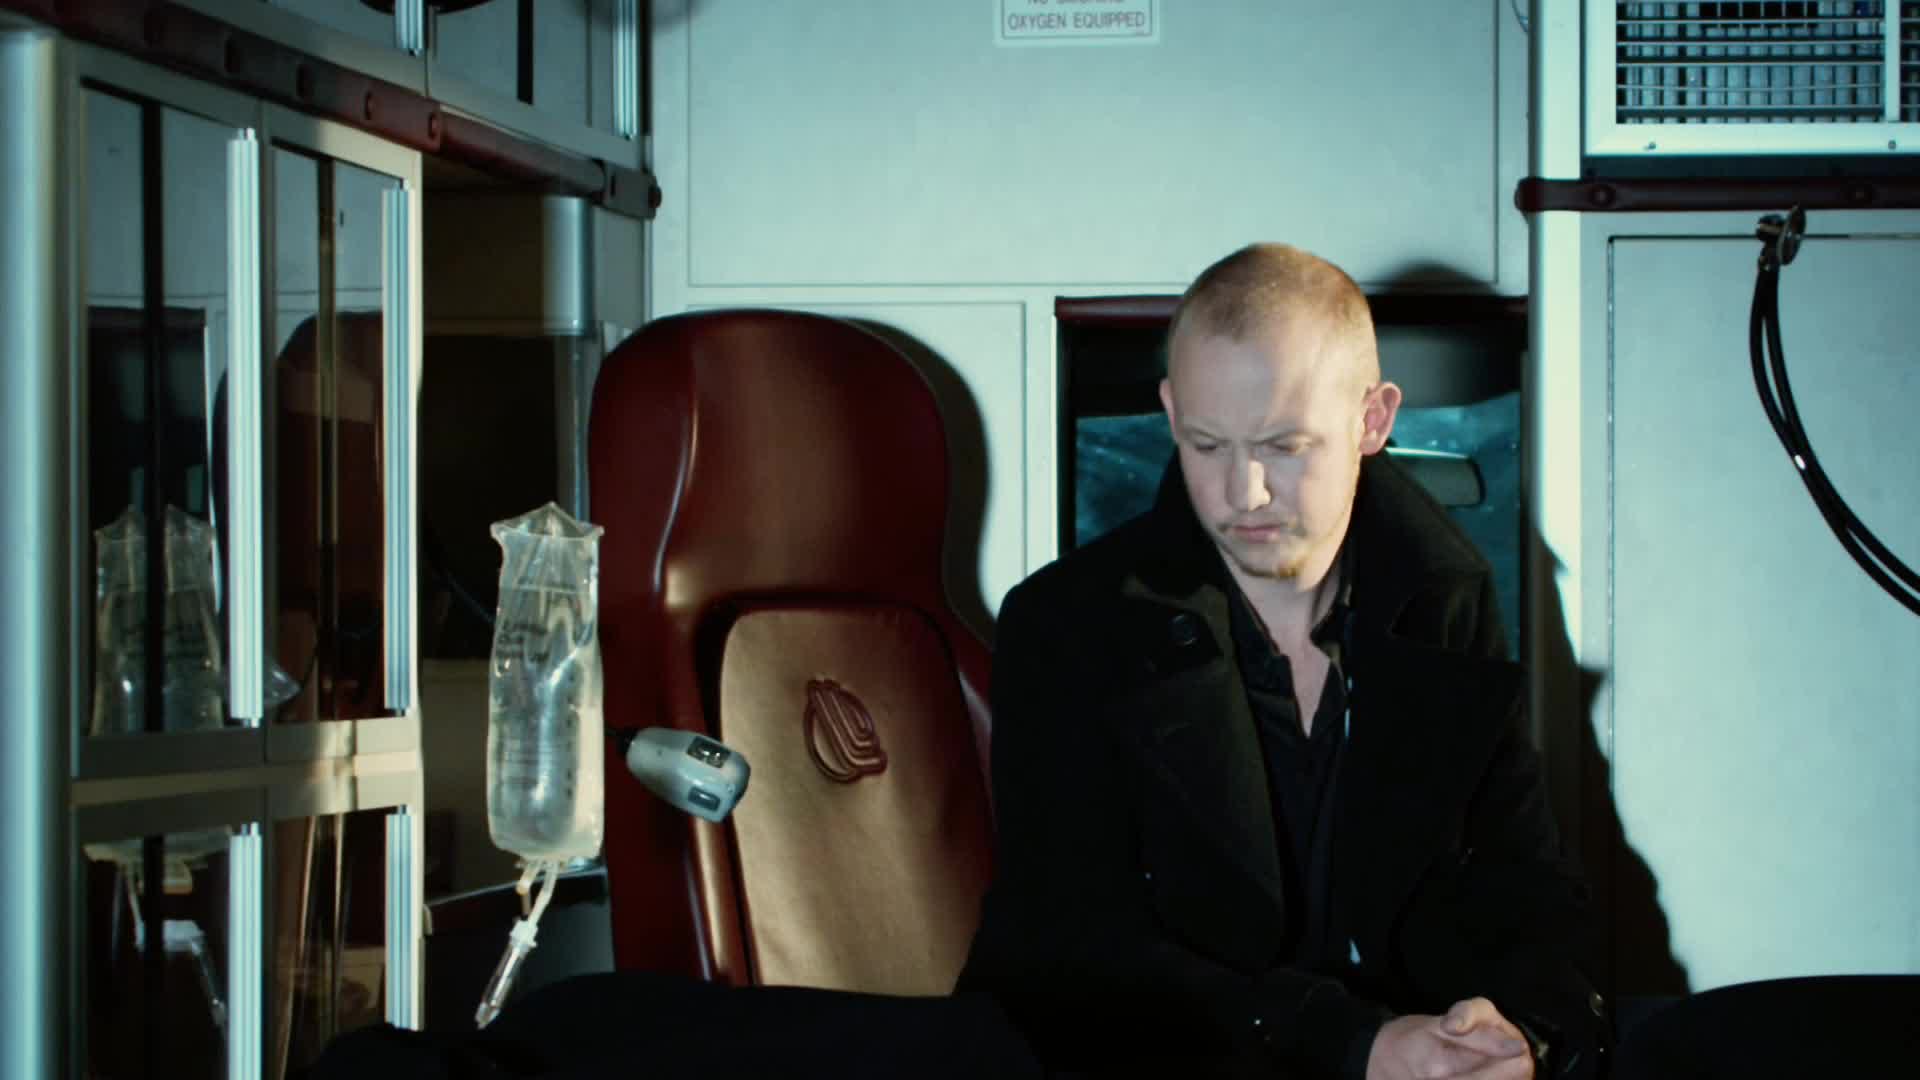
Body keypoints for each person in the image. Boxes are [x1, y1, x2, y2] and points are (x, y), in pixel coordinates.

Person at [958, 244, 1604, 1079]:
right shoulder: (1068, 625)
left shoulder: (1447, 599)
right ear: (1170, 412)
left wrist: (1523, 1033)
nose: (1246, 493)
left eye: (1285, 445)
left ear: (1373, 421)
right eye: (1207, 445)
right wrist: (1354, 1045)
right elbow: (1070, 950)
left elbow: (1530, 887)